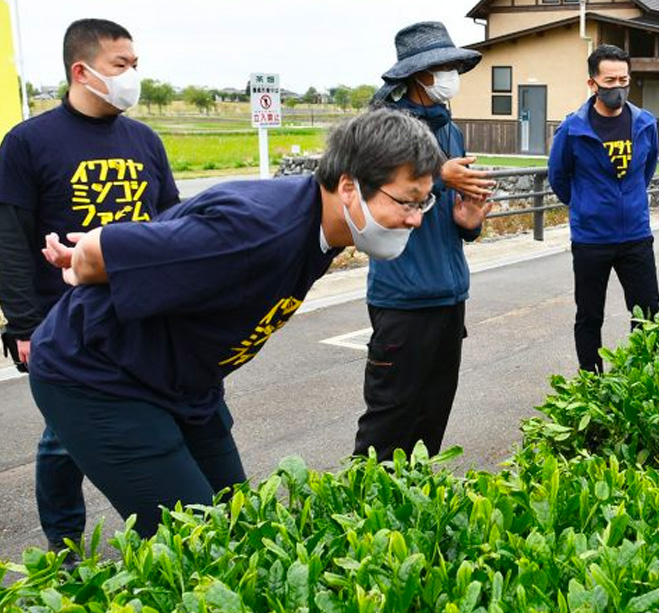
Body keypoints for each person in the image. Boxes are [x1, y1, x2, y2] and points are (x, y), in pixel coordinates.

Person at [28, 108, 445, 538]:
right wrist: (79, 263)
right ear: (348, 186)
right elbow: (103, 249)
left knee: (242, 524)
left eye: (423, 202)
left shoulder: (323, 225)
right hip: (99, 375)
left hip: (185, 382)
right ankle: (66, 564)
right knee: (201, 544)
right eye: (406, 201)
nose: (416, 218)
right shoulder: (257, 230)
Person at [0, 19, 179, 554]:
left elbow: (172, 225)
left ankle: (162, 527)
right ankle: (65, 543)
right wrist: (24, 324)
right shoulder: (29, 142)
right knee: (64, 437)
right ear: (82, 70)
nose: (132, 77)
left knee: (144, 416)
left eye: (135, 66)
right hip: (64, 322)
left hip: (139, 312)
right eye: (121, 66)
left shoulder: (144, 139)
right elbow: (9, 238)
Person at [353, 21, 493, 461]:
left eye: (454, 65)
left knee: (433, 414)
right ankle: (361, 513)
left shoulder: (449, 130)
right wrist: (437, 175)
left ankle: (414, 511)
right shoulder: (384, 129)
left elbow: (451, 219)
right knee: (389, 417)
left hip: (449, 294)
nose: (450, 75)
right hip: (403, 298)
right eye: (442, 66)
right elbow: (374, 199)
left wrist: (468, 221)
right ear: (418, 74)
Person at [547, 44, 659, 374]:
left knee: (648, 312)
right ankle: (592, 381)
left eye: (624, 79)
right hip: (591, 239)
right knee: (589, 315)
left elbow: (647, 170)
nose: (618, 87)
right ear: (592, 84)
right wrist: (586, 205)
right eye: (609, 80)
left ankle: (641, 376)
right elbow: (559, 177)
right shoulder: (572, 129)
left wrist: (630, 199)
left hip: (636, 235)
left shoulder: (645, 123)